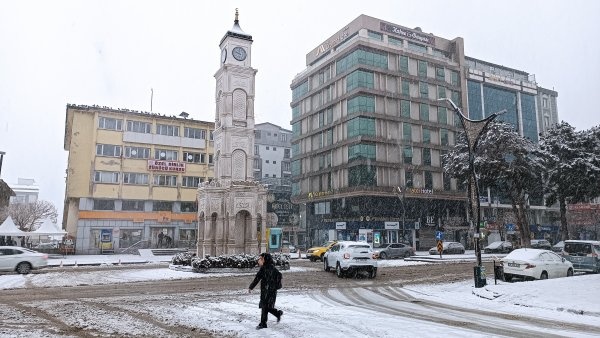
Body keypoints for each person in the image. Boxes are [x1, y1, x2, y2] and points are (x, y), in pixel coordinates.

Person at [248, 252, 283, 330]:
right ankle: (277, 314)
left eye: (261, 259)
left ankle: (264, 323)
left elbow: (257, 279)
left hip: (269, 291)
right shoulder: (267, 268)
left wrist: (251, 287)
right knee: (266, 307)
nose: (259, 260)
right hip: (268, 291)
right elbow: (257, 279)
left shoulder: (267, 268)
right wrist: (251, 287)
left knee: (266, 307)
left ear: (265, 259)